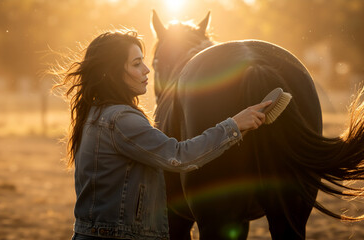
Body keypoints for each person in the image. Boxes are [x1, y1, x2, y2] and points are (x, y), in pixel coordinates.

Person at [54, 29, 271, 240]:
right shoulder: (121, 120)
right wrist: (233, 125)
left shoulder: (95, 113)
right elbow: (179, 156)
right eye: (136, 64)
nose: (147, 70)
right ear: (112, 73)